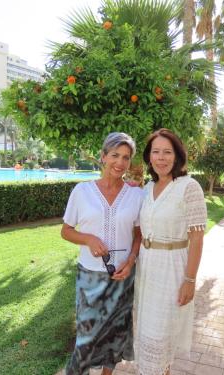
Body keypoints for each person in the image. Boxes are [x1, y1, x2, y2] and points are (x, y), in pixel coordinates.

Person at [61, 132, 143, 375]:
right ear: (103, 156)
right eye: (115, 155)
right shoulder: (81, 191)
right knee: (86, 338)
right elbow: (66, 231)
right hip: (89, 276)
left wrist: (130, 261)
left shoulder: (136, 195)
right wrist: (87, 238)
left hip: (123, 276)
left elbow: (139, 235)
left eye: (126, 158)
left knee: (115, 334)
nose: (120, 163)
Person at [134, 128, 207, 375]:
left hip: (172, 268)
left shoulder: (189, 187)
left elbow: (197, 237)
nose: (161, 158)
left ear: (177, 156)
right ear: (149, 156)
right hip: (147, 268)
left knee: (161, 335)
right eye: (156, 152)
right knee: (145, 333)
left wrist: (190, 279)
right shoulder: (146, 188)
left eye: (167, 152)